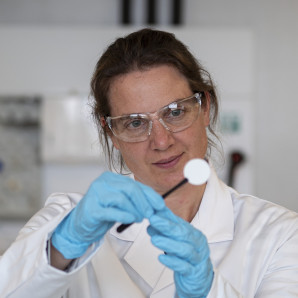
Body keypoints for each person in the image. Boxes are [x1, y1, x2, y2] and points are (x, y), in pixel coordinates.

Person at [0, 28, 297, 298]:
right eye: (134, 123)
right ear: (111, 133)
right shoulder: (65, 222)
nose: (161, 141)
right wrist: (61, 250)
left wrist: (209, 290)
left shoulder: (279, 236)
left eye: (175, 112)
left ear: (205, 108)